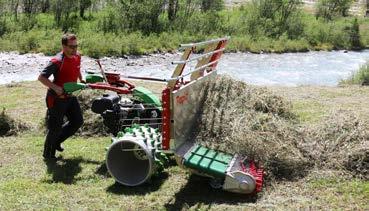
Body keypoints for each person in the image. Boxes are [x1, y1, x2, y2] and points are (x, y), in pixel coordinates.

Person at [38, 33, 84, 160]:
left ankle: (56, 141)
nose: (74, 49)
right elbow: (41, 78)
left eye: (76, 46)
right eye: (71, 47)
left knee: (77, 121)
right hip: (56, 99)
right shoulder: (57, 61)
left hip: (70, 96)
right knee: (55, 127)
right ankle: (48, 154)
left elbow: (77, 67)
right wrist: (56, 88)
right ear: (63, 46)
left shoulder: (77, 56)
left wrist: (81, 79)